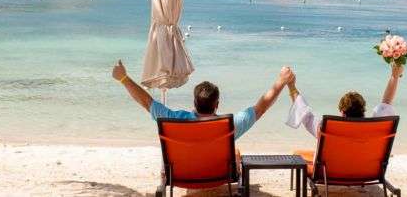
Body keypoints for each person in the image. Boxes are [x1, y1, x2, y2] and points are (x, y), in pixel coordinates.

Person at [112, 60, 293, 138]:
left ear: (194, 103)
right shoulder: (229, 125)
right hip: (216, 174)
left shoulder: (175, 120)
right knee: (236, 155)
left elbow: (147, 102)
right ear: (217, 105)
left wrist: (123, 78)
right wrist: (281, 81)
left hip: (185, 173)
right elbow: (260, 108)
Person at [285, 64, 404, 137]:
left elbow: (305, 114)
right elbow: (387, 102)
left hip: (330, 174)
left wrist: (291, 86)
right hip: (365, 172)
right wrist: (395, 76)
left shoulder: (326, 128)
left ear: (342, 111)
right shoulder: (375, 128)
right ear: (363, 110)